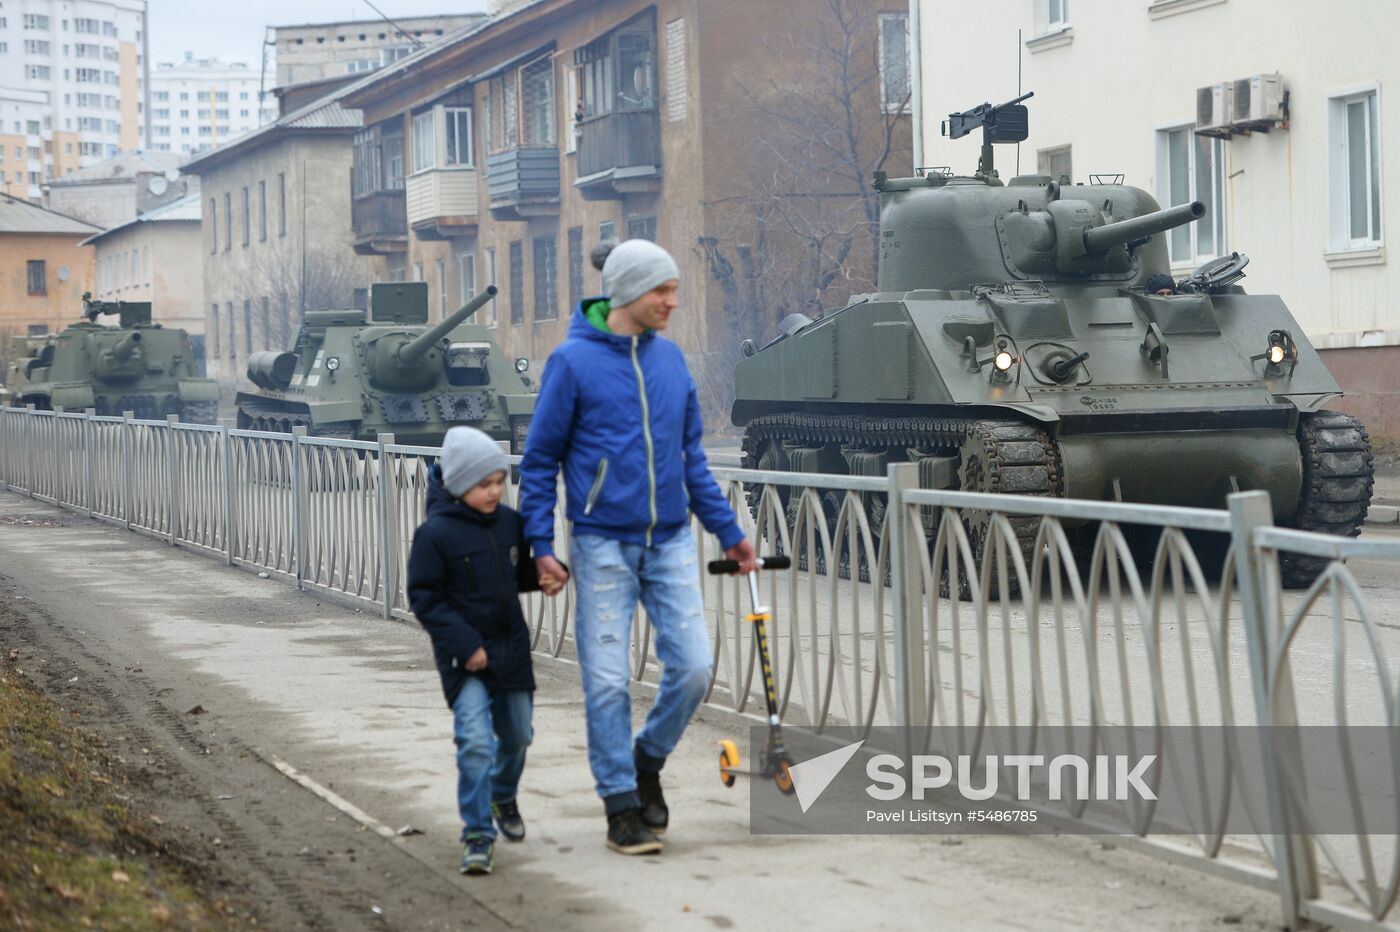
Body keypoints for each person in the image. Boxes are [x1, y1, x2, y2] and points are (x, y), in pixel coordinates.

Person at [519, 238, 756, 856]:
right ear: (627, 293)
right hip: (600, 545)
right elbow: (540, 461)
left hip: (672, 540)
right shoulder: (571, 363)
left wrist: (729, 534)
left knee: (695, 667)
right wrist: (539, 543)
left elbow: (691, 459)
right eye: (664, 291)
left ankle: (647, 758)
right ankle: (621, 805)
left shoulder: (672, 363)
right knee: (606, 682)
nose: (674, 301)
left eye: (675, 289)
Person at [408, 427, 564, 876]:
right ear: (457, 485)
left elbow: (516, 576)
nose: (495, 490)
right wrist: (466, 646)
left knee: (518, 735)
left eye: (499, 480)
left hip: (510, 650)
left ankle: (502, 793)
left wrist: (547, 577)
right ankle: (478, 833)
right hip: (465, 660)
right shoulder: (433, 535)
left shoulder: (509, 523)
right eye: (484, 484)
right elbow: (425, 599)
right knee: (475, 743)